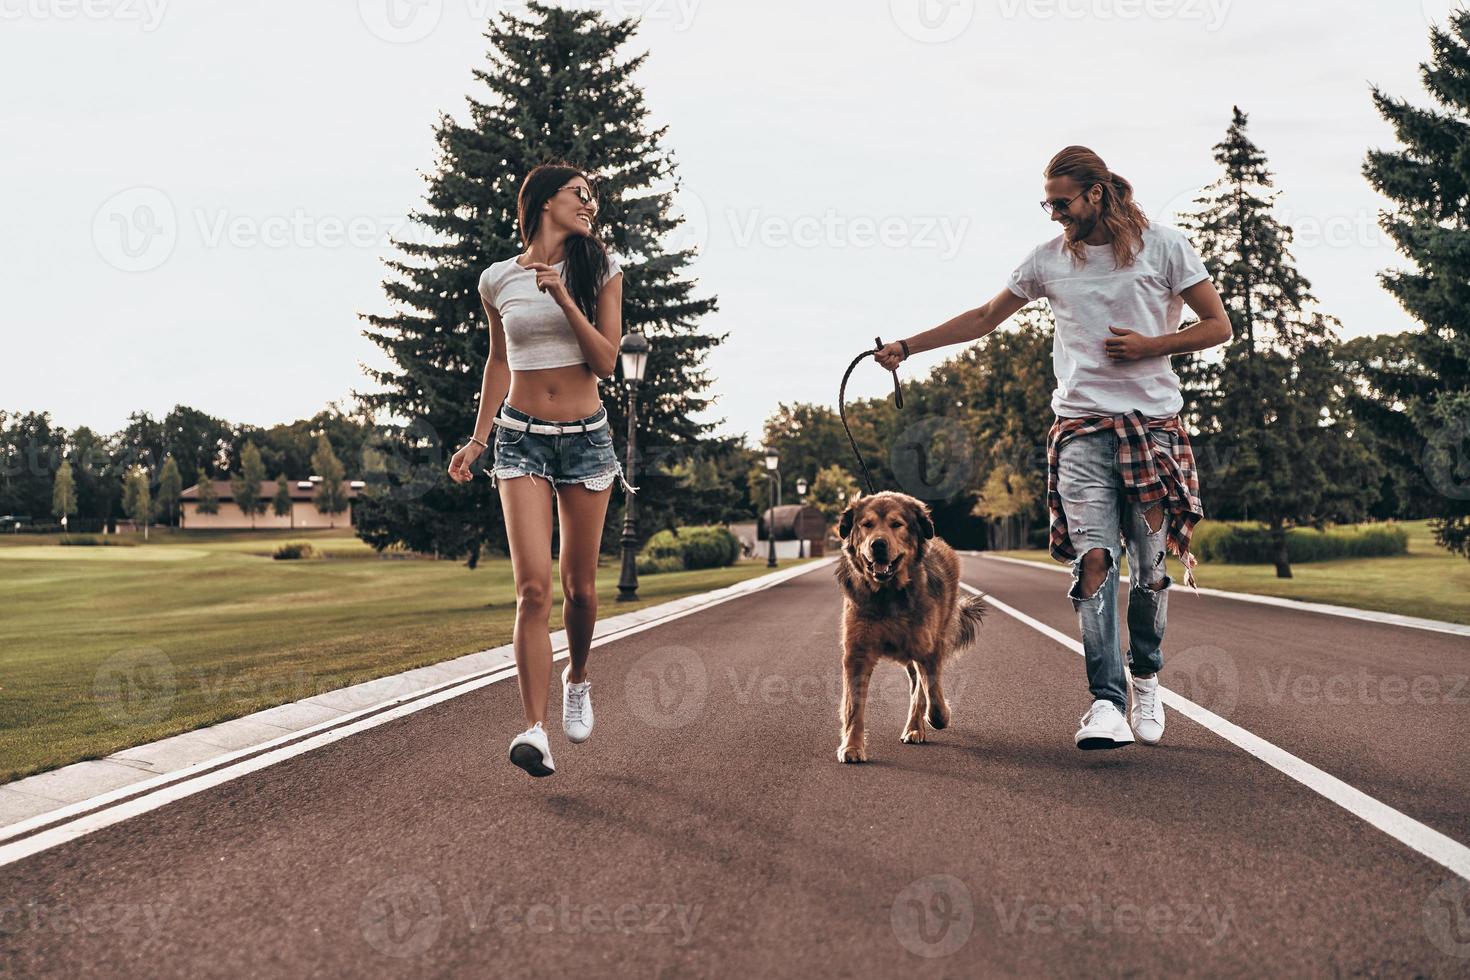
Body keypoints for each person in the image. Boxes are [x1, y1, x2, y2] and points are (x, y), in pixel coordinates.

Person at [876, 146, 1231, 751]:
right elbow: (985, 317)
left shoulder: (1166, 247)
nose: (1055, 215)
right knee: (1093, 560)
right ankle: (1107, 702)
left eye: (1062, 203)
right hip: (1081, 432)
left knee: (1148, 571)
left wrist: (1149, 345)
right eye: (1048, 203)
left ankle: (1145, 679)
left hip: (1153, 430)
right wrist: (908, 347)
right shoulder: (1047, 261)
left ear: (1097, 194)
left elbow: (1218, 326)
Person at [447, 162, 631, 778]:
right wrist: (477, 440)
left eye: (593, 198)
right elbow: (498, 362)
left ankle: (577, 677)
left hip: (586, 440)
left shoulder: (600, 269)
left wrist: (561, 295)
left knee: (579, 589)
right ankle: (534, 729)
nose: (590, 205)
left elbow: (606, 361)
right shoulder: (496, 279)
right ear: (545, 201)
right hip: (520, 438)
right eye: (581, 195)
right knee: (532, 590)